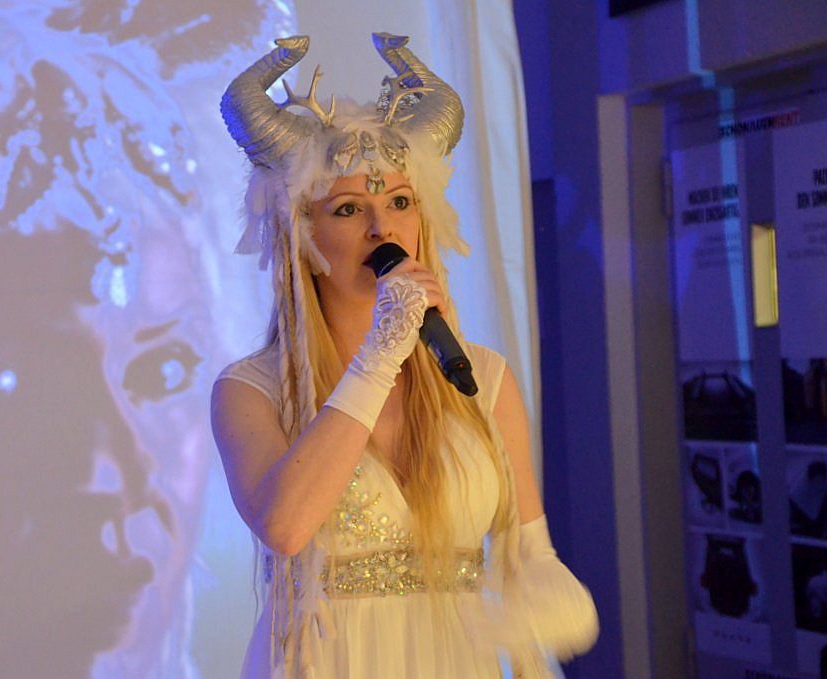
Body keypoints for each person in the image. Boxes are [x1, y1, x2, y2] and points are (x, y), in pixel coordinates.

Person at [211, 33, 598, 678]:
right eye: (347, 208)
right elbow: (285, 527)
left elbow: (534, 558)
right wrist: (382, 350)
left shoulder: (480, 376)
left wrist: (547, 610)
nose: (381, 229)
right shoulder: (252, 389)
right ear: (301, 233)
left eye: (398, 202)